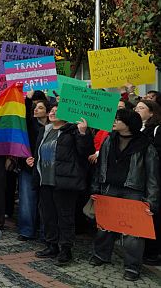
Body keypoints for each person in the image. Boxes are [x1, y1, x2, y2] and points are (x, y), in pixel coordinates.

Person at [90, 109, 159, 281]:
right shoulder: (109, 140)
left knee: (133, 232)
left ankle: (132, 267)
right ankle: (101, 255)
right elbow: (100, 167)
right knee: (104, 227)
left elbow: (153, 175)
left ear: (128, 123)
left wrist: (151, 201)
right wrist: (96, 188)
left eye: (118, 119)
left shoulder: (145, 145)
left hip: (133, 191)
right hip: (109, 188)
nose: (113, 121)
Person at [27, 105, 92, 266]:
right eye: (51, 110)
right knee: (48, 215)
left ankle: (66, 249)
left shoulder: (73, 131)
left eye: (57, 110)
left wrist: (83, 133)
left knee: (65, 216)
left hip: (64, 181)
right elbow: (41, 152)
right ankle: (52, 245)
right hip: (44, 180)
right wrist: (35, 160)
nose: (53, 112)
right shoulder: (45, 130)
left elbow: (85, 152)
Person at [18, 94, 50, 241]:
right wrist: (28, 99)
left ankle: (46, 233)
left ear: (48, 111)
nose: (36, 110)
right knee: (27, 201)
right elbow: (23, 112)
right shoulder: (30, 125)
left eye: (40, 107)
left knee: (46, 203)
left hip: (48, 170)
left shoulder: (55, 127)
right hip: (28, 167)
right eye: (35, 107)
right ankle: (26, 230)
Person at [134, 100, 161, 265]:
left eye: (142, 108)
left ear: (152, 113)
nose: (137, 110)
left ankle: (153, 252)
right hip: (140, 178)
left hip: (153, 178)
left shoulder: (156, 130)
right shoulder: (138, 129)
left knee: (154, 215)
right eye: (136, 108)